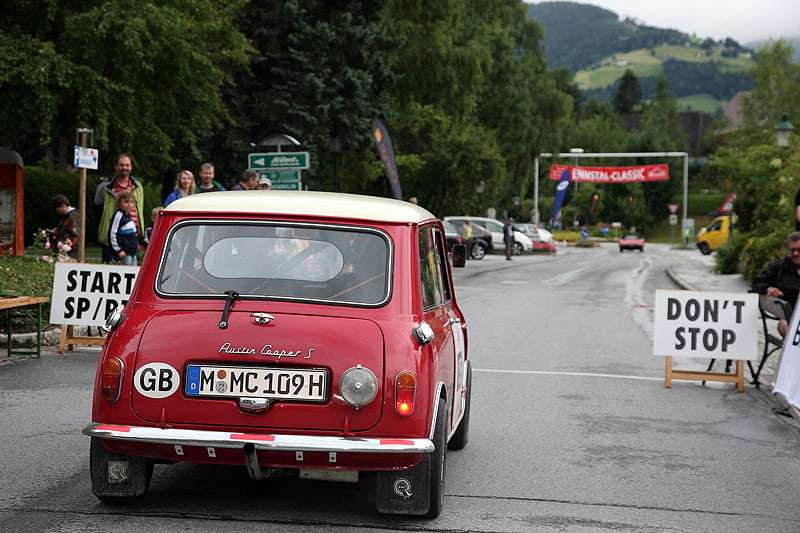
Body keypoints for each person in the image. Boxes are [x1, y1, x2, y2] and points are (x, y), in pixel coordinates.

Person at [98, 154, 145, 264]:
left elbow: (140, 209)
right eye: (121, 165)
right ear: (116, 167)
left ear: (131, 167)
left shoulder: (138, 187)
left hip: (132, 236)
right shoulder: (106, 187)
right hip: (114, 238)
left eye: (127, 165)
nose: (124, 168)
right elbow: (98, 211)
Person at [752, 231, 800, 336]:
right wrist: (768, 289)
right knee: (784, 326)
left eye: (799, 250)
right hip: (791, 319)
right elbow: (757, 282)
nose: (796, 253)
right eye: (793, 250)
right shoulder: (780, 267)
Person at [109, 190, 139, 266]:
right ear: (119, 203)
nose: (129, 205)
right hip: (124, 252)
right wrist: (118, 250)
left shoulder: (128, 216)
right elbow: (112, 233)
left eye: (131, 202)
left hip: (132, 252)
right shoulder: (118, 215)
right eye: (126, 202)